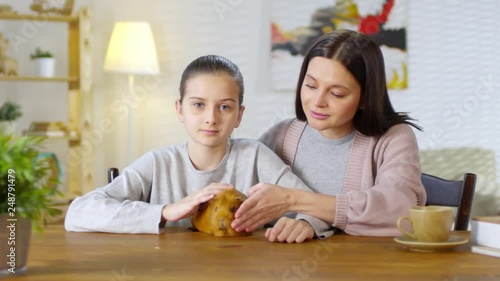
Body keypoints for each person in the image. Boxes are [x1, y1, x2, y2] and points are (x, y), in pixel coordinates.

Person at [65, 55, 327, 243]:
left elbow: (315, 206)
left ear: (239, 115)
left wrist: (305, 223)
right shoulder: (158, 163)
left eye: (224, 106)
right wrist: (166, 211)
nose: (211, 118)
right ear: (180, 110)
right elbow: (79, 213)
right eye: (198, 105)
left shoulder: (255, 156)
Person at [231, 29, 427, 238]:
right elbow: (237, 190)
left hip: (365, 265)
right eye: (310, 85)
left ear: (365, 98)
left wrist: (294, 200)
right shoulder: (282, 135)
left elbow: (402, 211)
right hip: (284, 262)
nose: (318, 101)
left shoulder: (393, 139)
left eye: (336, 93)